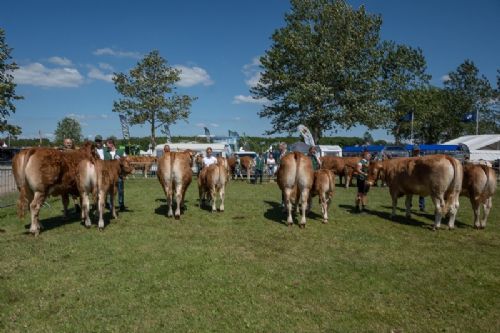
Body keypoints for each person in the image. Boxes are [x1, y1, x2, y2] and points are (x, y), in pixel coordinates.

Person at [104, 138, 127, 211]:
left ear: (111, 144)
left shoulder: (121, 152)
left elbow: (126, 161)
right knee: (109, 191)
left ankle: (121, 204)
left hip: (119, 175)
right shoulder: (105, 153)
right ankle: (110, 205)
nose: (106, 146)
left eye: (107, 144)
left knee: (120, 190)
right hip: (109, 175)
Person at [412, 145, 425, 212]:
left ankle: (422, 206)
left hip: (420, 177)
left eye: (417, 150)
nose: (416, 152)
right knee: (410, 191)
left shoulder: (422, 158)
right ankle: (409, 205)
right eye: (415, 151)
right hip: (412, 177)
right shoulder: (410, 159)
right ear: (413, 151)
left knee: (421, 192)